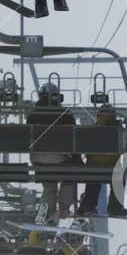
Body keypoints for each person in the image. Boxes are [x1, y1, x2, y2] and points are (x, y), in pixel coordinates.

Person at [26, 79, 78, 221]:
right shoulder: (66, 114)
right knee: (69, 178)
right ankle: (64, 209)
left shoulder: (33, 115)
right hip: (60, 158)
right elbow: (73, 137)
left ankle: (48, 211)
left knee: (49, 184)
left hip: (38, 158)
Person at [76, 88, 127, 219]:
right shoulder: (118, 130)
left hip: (92, 167)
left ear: (99, 116)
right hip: (112, 167)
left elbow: (83, 147)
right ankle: (115, 207)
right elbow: (124, 149)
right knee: (119, 174)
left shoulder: (91, 129)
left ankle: (88, 206)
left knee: (93, 179)